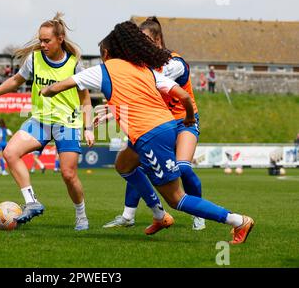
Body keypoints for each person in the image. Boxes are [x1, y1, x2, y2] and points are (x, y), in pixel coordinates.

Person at [41, 21, 254, 244]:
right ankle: (159, 216)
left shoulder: (103, 70)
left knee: (176, 198)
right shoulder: (144, 70)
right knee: (123, 164)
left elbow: (58, 86)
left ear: (106, 53)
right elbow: (183, 96)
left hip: (150, 135)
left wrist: (45, 90)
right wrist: (190, 118)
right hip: (165, 127)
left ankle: (238, 221)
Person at [0, 12, 95, 231]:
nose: (42, 43)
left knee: (68, 174)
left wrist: (88, 128)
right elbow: (16, 81)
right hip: (39, 121)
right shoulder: (34, 59)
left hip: (67, 123)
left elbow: (85, 98)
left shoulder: (74, 64)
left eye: (47, 40)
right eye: (40, 39)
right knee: (10, 153)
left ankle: (81, 215)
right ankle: (31, 202)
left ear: (60, 39)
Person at [102, 16, 206, 232]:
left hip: (184, 120)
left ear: (158, 39)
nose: (141, 44)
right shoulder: (144, 67)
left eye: (146, 39)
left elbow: (148, 85)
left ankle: (199, 214)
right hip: (159, 123)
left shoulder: (174, 63)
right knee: (134, 164)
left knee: (183, 167)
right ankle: (128, 215)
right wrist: (112, 112)